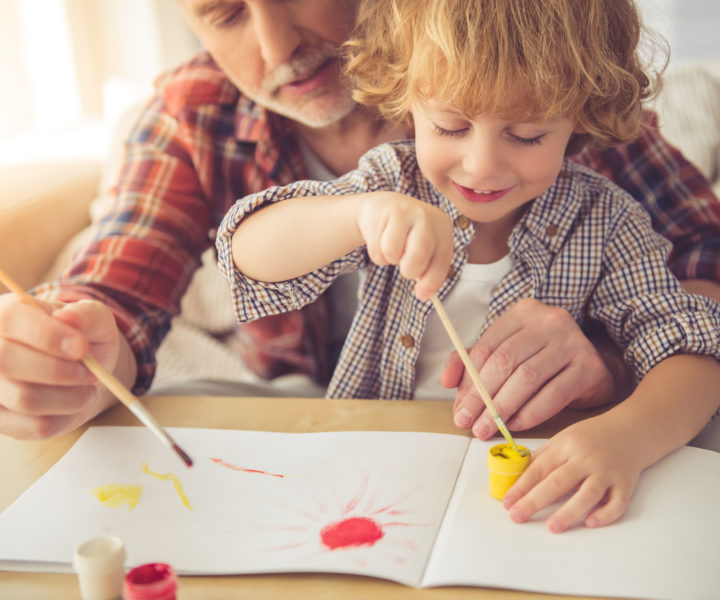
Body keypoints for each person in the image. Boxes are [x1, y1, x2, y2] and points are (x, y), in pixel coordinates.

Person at [1, 0, 719, 442]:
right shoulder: (199, 119)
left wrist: (618, 366)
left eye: (527, 135)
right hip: (335, 433)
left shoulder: (545, 66)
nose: (277, 46)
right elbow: (122, 300)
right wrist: (70, 358)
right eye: (223, 11)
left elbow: (702, 268)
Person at [216, 0, 720, 532]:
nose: (481, 165)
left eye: (527, 134)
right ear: (408, 102)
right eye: (451, 126)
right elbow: (246, 255)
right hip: (375, 478)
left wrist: (628, 437)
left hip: (532, 490)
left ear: (582, 117)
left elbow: (695, 350)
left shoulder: (608, 222)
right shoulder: (392, 183)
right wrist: (356, 215)